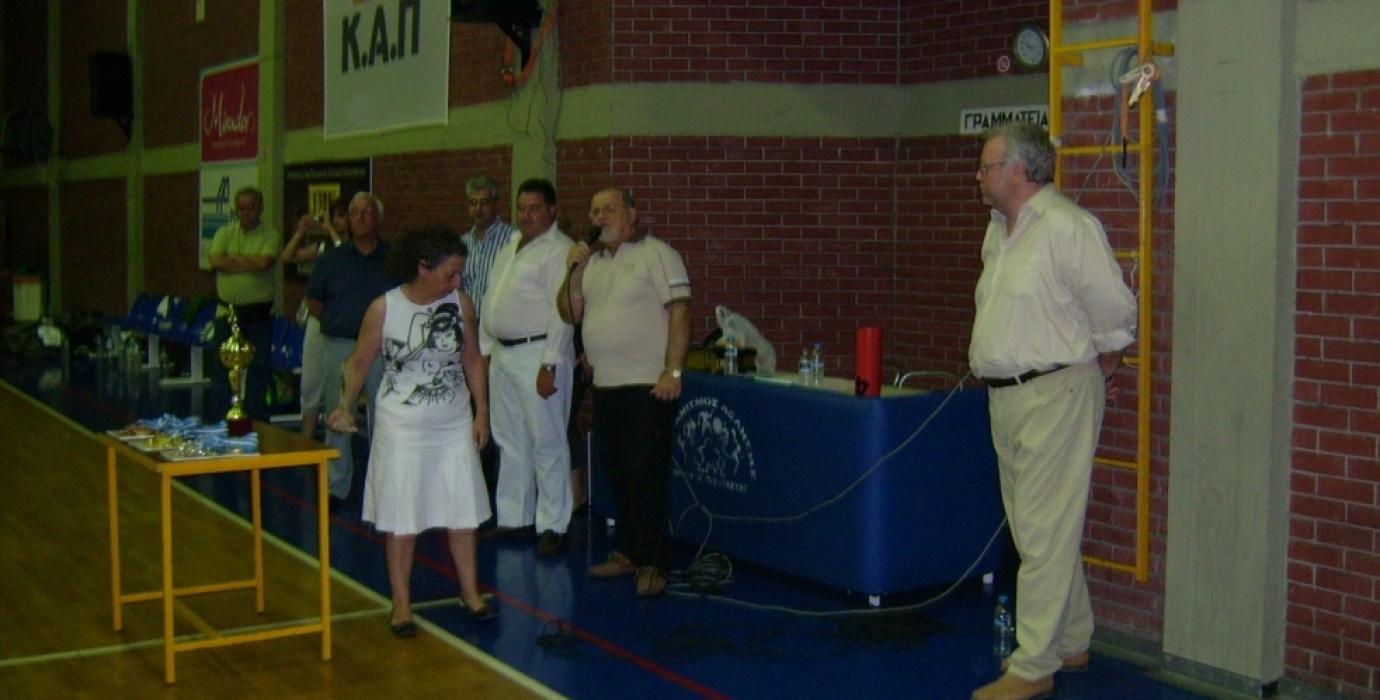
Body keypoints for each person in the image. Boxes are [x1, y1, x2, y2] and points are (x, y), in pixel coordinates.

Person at [967, 123, 1136, 700]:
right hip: (1006, 396)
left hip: (1056, 392)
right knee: (1037, 528)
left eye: (988, 166)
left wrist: (1097, 372)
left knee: (1041, 532)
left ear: (1019, 170)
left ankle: (1034, 665)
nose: (979, 176)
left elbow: (1115, 313)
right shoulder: (998, 231)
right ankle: (1072, 637)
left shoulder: (1069, 227)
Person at [326, 224, 496, 636]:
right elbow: (359, 363)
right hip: (401, 426)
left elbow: (473, 359)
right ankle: (401, 604)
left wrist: (482, 413)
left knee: (463, 511)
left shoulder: (462, 304)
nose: (456, 282)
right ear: (423, 267)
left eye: (459, 274)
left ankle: (469, 591)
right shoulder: (384, 308)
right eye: (449, 274)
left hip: (452, 421)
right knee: (402, 515)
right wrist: (345, 405)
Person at [558, 187, 690, 597]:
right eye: (594, 211)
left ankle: (655, 562)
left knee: (646, 475)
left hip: (648, 387)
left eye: (609, 209)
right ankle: (630, 552)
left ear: (632, 214)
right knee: (618, 473)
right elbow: (569, 313)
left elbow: (680, 310)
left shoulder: (657, 253)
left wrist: (673, 370)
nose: (600, 217)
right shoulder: (593, 263)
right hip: (606, 386)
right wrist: (574, 271)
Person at [479, 178, 575, 556]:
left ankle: (554, 524)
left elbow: (563, 311)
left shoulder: (559, 250)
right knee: (510, 439)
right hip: (504, 354)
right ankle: (515, 517)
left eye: (535, 208)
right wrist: (487, 349)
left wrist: (550, 362)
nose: (527, 215)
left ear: (552, 210)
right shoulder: (512, 244)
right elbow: (491, 297)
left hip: (538, 353)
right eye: (521, 208)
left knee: (546, 440)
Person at [308, 192, 396, 504]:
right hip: (340, 345)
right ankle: (336, 485)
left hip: (381, 348)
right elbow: (314, 301)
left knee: (382, 416)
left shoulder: (393, 258)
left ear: (378, 217)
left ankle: (382, 488)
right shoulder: (331, 259)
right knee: (337, 413)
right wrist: (336, 322)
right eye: (355, 212)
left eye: (367, 212)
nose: (361, 218)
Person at [458, 175, 515, 517]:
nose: (478, 209)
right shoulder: (462, 244)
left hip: (498, 341)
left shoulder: (512, 240)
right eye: (473, 203)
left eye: (484, 203)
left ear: (496, 204)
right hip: (468, 340)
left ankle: (497, 498)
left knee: (496, 417)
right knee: (472, 414)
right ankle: (475, 492)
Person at [207, 186, 282, 421]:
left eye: (251, 207)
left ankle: (257, 422)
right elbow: (215, 261)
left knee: (259, 370)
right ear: (236, 210)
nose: (246, 212)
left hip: (259, 316)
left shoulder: (271, 235)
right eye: (241, 208)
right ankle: (219, 420)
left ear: (260, 208)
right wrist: (249, 261)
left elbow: (264, 264)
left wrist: (233, 259)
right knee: (222, 370)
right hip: (227, 313)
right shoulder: (224, 233)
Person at [281, 198, 350, 439]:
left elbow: (342, 250)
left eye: (341, 215)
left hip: (344, 323)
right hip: (318, 319)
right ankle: (306, 435)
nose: (337, 220)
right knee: (311, 380)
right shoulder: (323, 248)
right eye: (334, 216)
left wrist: (329, 228)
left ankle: (337, 433)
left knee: (338, 382)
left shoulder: (352, 249)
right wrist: (300, 232)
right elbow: (287, 257)